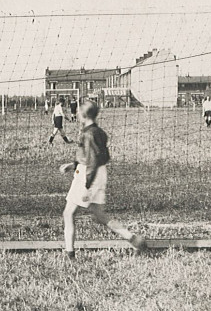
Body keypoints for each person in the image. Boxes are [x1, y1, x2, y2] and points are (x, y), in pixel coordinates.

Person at [59, 100, 147, 259]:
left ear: (83, 115)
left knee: (68, 213)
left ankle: (69, 255)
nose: (77, 114)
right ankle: (133, 239)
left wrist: (86, 184)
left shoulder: (87, 134)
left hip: (88, 175)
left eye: (79, 112)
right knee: (99, 215)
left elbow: (91, 161)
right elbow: (100, 156)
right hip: (100, 173)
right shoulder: (100, 132)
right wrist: (73, 165)